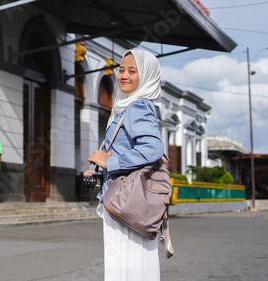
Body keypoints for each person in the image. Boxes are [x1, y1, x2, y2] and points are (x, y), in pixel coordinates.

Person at [84, 49, 164, 280]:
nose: (123, 76)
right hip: (123, 196)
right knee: (127, 259)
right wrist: (100, 169)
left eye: (132, 71)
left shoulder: (138, 106)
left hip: (126, 200)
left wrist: (110, 162)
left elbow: (152, 149)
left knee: (124, 260)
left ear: (147, 76)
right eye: (121, 70)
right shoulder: (125, 107)